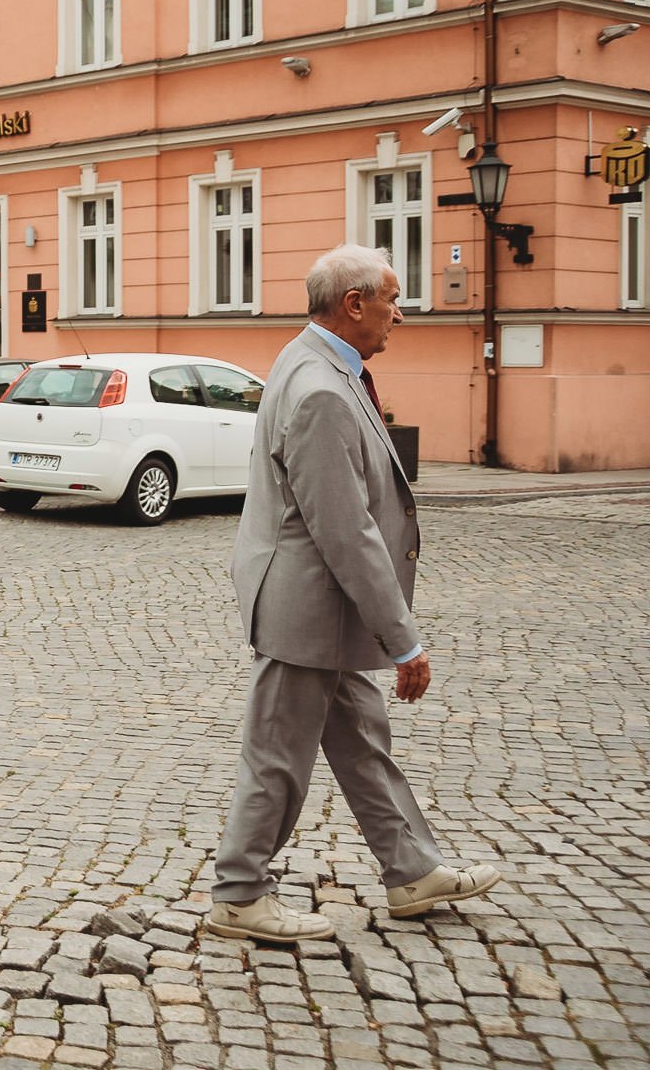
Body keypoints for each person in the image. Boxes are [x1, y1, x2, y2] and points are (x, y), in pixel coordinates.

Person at [207, 245, 501, 943]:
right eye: (393, 298)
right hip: (306, 609)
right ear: (354, 303)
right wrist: (404, 639)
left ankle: (412, 869)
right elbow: (347, 531)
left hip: (323, 608)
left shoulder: (313, 363)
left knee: (364, 742)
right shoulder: (319, 388)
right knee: (277, 755)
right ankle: (240, 894)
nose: (400, 312)